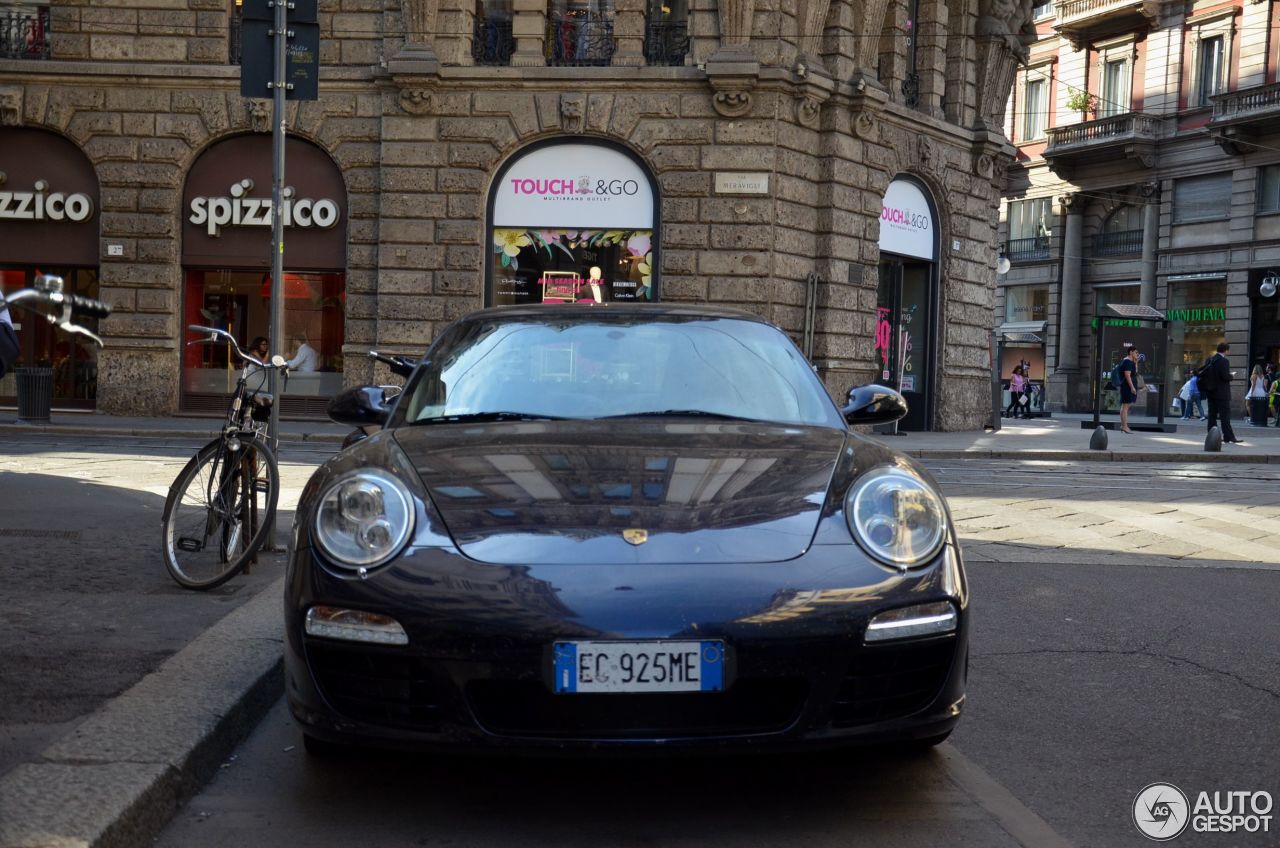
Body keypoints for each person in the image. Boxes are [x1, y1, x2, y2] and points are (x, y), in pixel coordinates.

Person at [1200, 342, 1239, 443]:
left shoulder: (1210, 359)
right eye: (1228, 350)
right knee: (1225, 416)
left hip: (1210, 392)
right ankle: (1229, 437)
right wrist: (1232, 376)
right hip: (1222, 393)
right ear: (1226, 350)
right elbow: (1225, 377)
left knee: (1212, 415)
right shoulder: (1224, 361)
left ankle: (1212, 437)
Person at [1117, 344, 1138, 434]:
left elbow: (1135, 372)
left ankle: (1123, 425)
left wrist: (1136, 361)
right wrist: (1132, 387)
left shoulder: (1130, 361)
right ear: (1131, 352)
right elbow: (1127, 375)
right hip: (1127, 387)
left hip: (1127, 386)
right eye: (1136, 352)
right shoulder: (1127, 362)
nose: (1137, 354)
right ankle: (1124, 426)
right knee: (1125, 406)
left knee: (1125, 406)